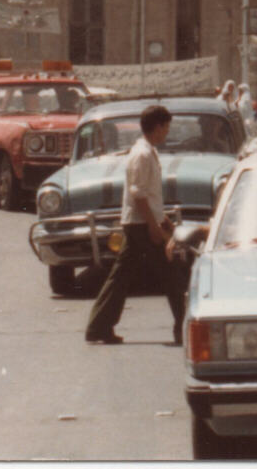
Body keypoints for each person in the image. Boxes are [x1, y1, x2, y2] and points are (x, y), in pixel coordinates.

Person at [85, 104, 187, 346]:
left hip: (140, 222)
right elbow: (139, 195)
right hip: (141, 225)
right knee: (172, 274)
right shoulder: (142, 154)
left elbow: (148, 195)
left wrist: (162, 219)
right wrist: (154, 227)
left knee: (120, 277)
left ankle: (99, 327)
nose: (167, 132)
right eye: (166, 127)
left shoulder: (147, 151)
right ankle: (184, 329)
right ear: (158, 127)